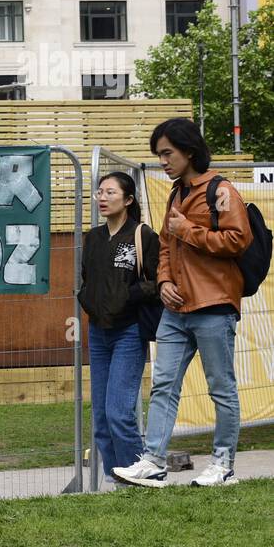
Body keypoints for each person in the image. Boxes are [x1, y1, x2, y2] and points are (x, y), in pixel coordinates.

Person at [114, 119, 253, 488]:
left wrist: (187, 230)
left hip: (214, 306)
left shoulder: (221, 191)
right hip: (175, 310)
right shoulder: (176, 194)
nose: (162, 161)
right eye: (159, 155)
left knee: (220, 387)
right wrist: (162, 282)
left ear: (189, 151)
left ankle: (222, 465)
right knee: (163, 385)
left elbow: (238, 239)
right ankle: (153, 461)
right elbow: (163, 248)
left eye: (167, 153)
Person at [79, 171, 159, 483]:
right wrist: (87, 299)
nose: (102, 197)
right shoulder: (94, 238)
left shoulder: (142, 235)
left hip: (129, 331)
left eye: (110, 192)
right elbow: (87, 278)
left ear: (128, 200)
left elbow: (156, 280)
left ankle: (138, 475)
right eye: (99, 192)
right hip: (98, 333)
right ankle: (115, 479)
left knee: (119, 412)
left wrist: (128, 296)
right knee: (100, 417)